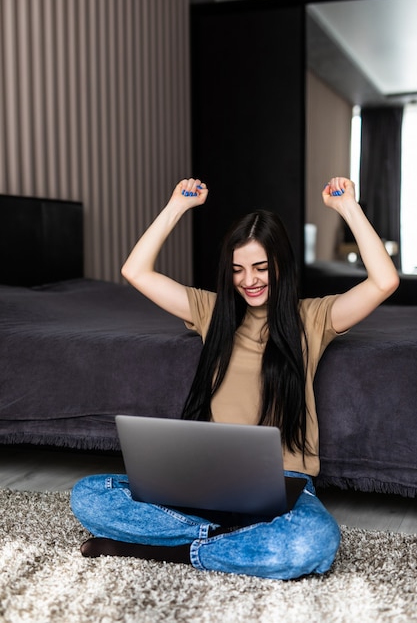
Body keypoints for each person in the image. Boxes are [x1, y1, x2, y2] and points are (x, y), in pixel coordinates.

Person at [70, 177, 399, 580]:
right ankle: (229, 540)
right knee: (88, 495)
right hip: (203, 478)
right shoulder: (212, 312)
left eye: (261, 267)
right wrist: (177, 206)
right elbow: (135, 271)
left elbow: (384, 281)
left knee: (313, 542)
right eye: (238, 269)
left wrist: (349, 208)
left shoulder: (313, 318)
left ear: (281, 265)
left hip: (285, 483)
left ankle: (172, 550)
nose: (249, 280)